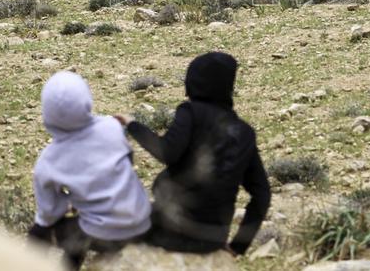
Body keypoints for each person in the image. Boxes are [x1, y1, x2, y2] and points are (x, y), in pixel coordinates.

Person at [120, 52, 270, 257]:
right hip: (212, 239)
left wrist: (132, 124)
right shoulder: (244, 132)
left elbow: (166, 152)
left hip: (169, 229)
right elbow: (262, 195)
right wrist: (238, 247)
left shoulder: (191, 113)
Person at [28, 71, 151, 270]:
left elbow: (49, 214)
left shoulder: (49, 161)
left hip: (103, 236)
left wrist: (75, 200)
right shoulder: (111, 127)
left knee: (49, 230)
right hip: (141, 224)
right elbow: (128, 160)